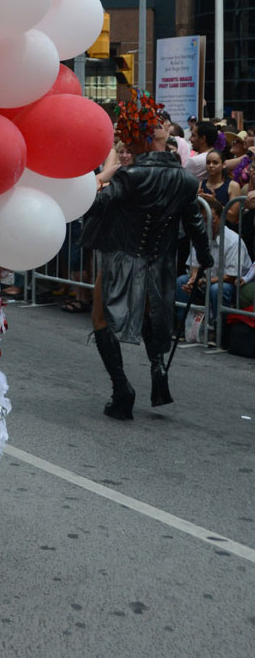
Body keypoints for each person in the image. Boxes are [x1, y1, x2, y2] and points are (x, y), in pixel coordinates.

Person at [82, 91, 213, 420]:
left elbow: (95, 205)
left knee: (101, 320)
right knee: (152, 321)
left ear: (138, 143)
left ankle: (121, 389)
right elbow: (196, 224)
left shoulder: (131, 176)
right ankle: (158, 370)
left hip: (122, 259)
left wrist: (98, 179)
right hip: (160, 261)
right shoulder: (185, 180)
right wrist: (205, 260)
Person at [177, 207, 252, 337]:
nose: (207, 222)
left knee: (217, 289)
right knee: (181, 281)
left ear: (220, 218)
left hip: (234, 284)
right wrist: (193, 279)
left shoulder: (233, 240)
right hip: (206, 280)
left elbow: (231, 276)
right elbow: (194, 265)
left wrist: (205, 281)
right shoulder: (200, 236)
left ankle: (219, 331)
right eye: (203, 219)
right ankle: (181, 325)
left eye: (210, 218)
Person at [198, 149, 241, 229]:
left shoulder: (233, 186)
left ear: (224, 164)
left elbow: (232, 218)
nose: (211, 165)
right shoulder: (201, 184)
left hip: (225, 233)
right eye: (208, 162)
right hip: (204, 231)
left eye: (215, 162)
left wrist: (215, 202)